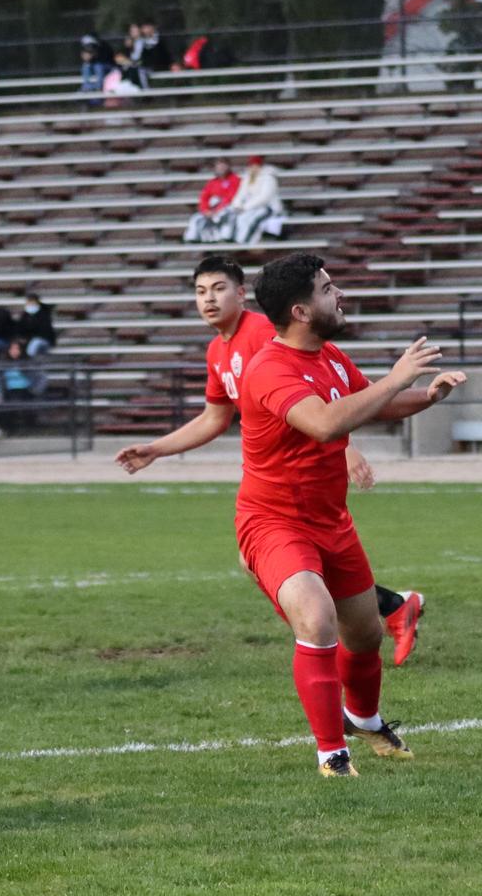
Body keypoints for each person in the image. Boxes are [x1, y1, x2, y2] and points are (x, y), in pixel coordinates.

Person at [114, 254, 433, 662]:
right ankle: (384, 610)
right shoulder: (218, 350)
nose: (208, 300)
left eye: (219, 289)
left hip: (304, 474)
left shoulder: (264, 336)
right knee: (256, 563)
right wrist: (157, 448)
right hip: (274, 477)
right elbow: (215, 418)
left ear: (243, 294)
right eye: (200, 292)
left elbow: (318, 392)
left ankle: (356, 628)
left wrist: (346, 447)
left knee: (280, 566)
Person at [226, 254, 464, 775]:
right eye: (328, 288)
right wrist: (397, 378)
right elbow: (327, 424)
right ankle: (332, 755)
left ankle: (366, 718)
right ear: (301, 311)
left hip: (331, 519)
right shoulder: (270, 367)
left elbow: (367, 405)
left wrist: (426, 395)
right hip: (273, 521)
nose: (340, 294)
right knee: (317, 619)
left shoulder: (329, 353)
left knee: (365, 635)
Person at [229, 156, 286, 245]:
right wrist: (237, 205)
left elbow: (264, 198)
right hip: (251, 208)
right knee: (239, 218)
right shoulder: (247, 178)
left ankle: (246, 242)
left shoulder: (269, 178)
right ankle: (236, 240)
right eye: (252, 166)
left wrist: (245, 207)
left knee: (253, 219)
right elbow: (240, 194)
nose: (253, 168)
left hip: (269, 208)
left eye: (256, 166)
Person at [184, 158, 240, 243]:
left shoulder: (235, 180)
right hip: (212, 211)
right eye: (219, 166)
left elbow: (232, 198)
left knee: (224, 215)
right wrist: (205, 210)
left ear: (228, 167)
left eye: (223, 165)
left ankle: (225, 237)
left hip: (226, 210)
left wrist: (217, 210)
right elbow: (204, 198)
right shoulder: (212, 182)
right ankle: (192, 238)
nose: (221, 168)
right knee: (195, 218)